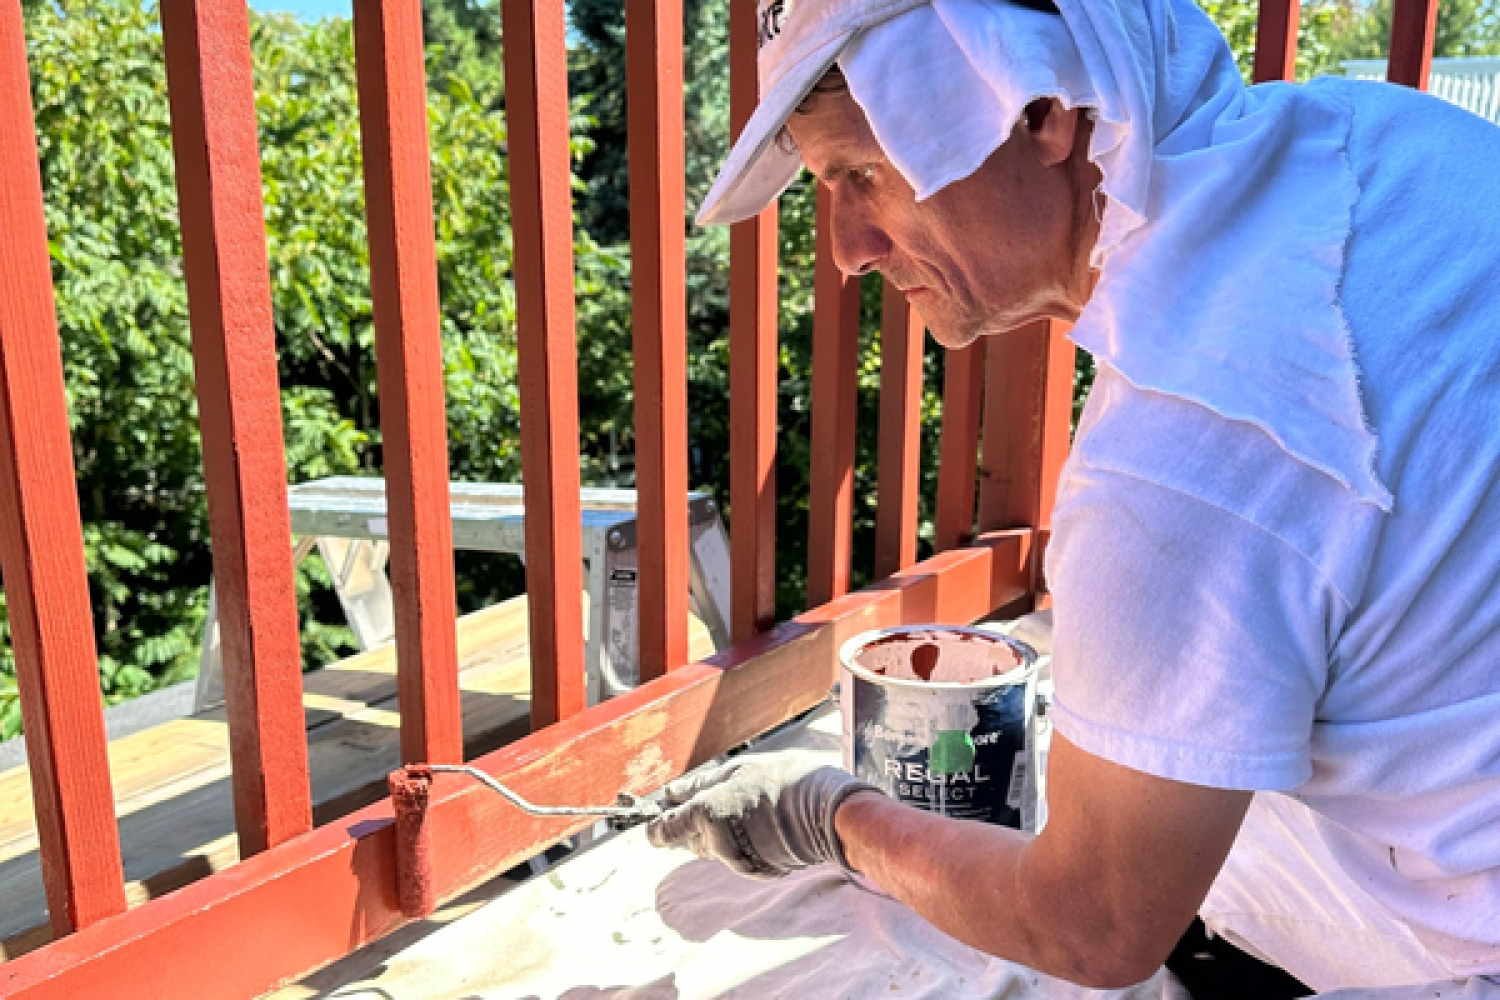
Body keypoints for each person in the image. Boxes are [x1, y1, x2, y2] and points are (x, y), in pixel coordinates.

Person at [643, 0, 1500, 996]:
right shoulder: (1381, 132)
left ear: (1042, 108)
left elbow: (1091, 927)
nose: (847, 248)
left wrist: (831, 818)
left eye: (863, 173)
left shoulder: (1183, 455)